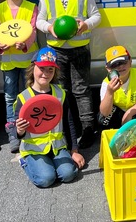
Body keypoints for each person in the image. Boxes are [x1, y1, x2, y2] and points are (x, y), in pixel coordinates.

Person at [36, 0, 101, 148]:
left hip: (80, 49)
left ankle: (88, 128)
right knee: (61, 91)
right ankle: (65, 127)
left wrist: (86, 25)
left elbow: (96, 16)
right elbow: (39, 20)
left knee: (81, 90)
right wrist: (49, 28)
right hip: (56, 52)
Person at [15, 47, 85, 188]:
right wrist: (19, 130)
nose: (45, 74)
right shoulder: (24, 97)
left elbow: (68, 122)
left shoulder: (60, 94)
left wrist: (74, 151)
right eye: (42, 68)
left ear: (55, 72)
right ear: (33, 68)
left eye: (50, 70)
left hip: (57, 147)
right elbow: (16, 132)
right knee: (46, 179)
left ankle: (52, 164)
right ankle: (25, 161)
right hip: (33, 148)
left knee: (69, 174)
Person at [0, 0, 38, 153]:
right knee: (10, 96)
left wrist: (25, 43)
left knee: (28, 94)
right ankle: (13, 131)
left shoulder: (31, 7)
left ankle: (30, 129)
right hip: (9, 61)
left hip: (28, 60)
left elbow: (33, 30)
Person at [97, 45, 136, 130]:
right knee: (102, 119)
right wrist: (110, 92)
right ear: (108, 69)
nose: (120, 66)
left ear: (130, 61)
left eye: (123, 62)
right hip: (118, 113)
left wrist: (129, 113)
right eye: (115, 65)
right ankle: (116, 133)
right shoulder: (106, 83)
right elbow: (105, 112)